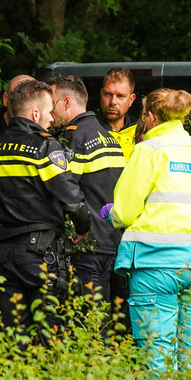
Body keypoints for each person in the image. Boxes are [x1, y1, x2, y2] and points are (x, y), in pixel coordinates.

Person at [0, 79, 91, 338]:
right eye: (49, 112)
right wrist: (84, 228)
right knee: (47, 333)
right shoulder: (45, 147)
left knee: (13, 336)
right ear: (34, 114)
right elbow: (72, 200)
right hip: (41, 256)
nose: (52, 118)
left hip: (1, 258)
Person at [103, 88, 191, 374]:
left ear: (150, 117)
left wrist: (111, 213)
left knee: (157, 355)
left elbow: (126, 211)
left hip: (155, 266)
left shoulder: (147, 151)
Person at [50, 75, 126, 306]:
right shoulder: (109, 137)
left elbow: (63, 190)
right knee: (101, 316)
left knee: (87, 320)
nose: (48, 112)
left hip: (85, 244)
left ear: (66, 102)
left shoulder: (74, 136)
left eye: (51, 104)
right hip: (112, 241)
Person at [97, 67, 138, 160]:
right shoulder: (89, 129)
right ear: (101, 94)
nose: (113, 102)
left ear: (131, 100)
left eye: (120, 96)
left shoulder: (139, 132)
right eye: (108, 94)